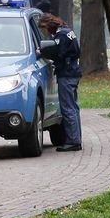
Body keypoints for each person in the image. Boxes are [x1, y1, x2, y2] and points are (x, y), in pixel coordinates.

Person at [38, 13, 83, 152]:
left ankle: (73, 141)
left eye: (43, 29)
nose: (44, 32)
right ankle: (76, 139)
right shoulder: (67, 31)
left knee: (68, 108)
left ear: (48, 24)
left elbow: (59, 54)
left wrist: (42, 52)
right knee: (73, 108)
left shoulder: (60, 36)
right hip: (73, 72)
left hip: (67, 74)